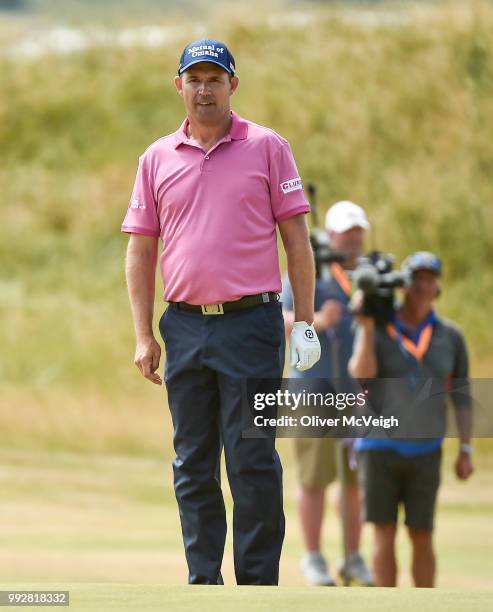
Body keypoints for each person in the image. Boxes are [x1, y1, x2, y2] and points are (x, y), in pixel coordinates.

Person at [121, 38, 321, 585]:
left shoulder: (267, 146)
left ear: (233, 84)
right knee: (192, 461)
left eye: (215, 79)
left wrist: (302, 320)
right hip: (183, 325)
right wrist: (143, 335)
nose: (204, 89)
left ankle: (257, 585)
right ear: (179, 85)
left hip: (252, 325)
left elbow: (297, 242)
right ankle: (203, 582)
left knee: (253, 459)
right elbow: (140, 249)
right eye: (195, 79)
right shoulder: (156, 158)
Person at [349, 251, 474, 587]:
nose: (422, 285)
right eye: (415, 279)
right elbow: (362, 375)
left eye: (429, 279)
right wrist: (365, 326)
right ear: (403, 286)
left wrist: (466, 449)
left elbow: (462, 399)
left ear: (438, 288)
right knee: (383, 533)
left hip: (426, 448)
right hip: (379, 446)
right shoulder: (378, 326)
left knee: (422, 534)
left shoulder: (451, 336)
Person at [281, 200, 374, 586]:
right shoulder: (309, 267)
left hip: (356, 392)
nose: (352, 240)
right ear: (331, 234)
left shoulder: (369, 276)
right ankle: (314, 558)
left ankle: (353, 557)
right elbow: (281, 317)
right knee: (315, 477)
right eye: (346, 233)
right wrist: (317, 322)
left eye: (358, 233)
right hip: (311, 389)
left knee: (354, 479)